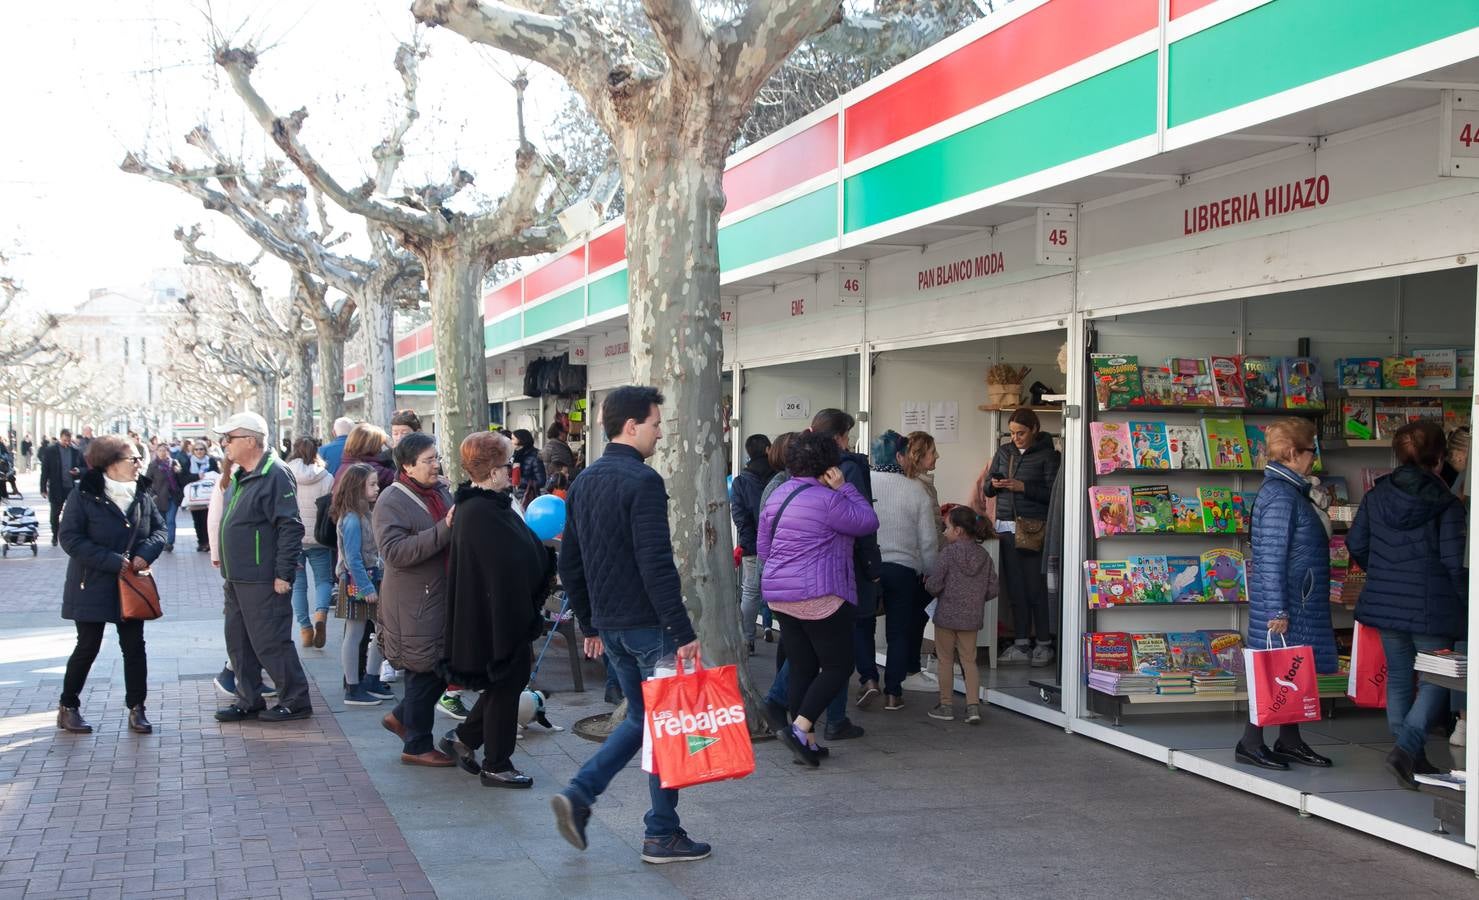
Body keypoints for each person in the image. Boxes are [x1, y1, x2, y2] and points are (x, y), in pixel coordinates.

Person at [551, 385, 709, 864]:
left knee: (645, 721)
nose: (660, 433)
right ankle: (661, 833)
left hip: (612, 627)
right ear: (631, 426)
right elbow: (656, 563)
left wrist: (591, 623)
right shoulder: (643, 482)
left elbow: (570, 563)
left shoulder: (583, 481)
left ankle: (582, 797)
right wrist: (683, 632)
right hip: (649, 627)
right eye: (657, 424)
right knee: (667, 727)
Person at [1348, 421, 1467, 787]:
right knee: (1437, 679)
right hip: (1431, 606)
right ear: (1439, 456)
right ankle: (1406, 751)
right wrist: (1467, 605)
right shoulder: (1445, 502)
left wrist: (1383, 574)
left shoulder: (1376, 494)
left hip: (1385, 602)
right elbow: (1453, 562)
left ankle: (1410, 755)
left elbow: (1357, 543)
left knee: (1400, 677)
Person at [437, 431, 552, 787]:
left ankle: (464, 739)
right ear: (490, 471)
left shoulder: (487, 506)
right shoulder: (482, 511)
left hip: (501, 613)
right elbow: (503, 566)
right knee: (505, 684)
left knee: (507, 682)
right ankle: (497, 763)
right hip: (496, 617)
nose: (511, 470)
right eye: (506, 464)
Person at [759, 430, 880, 767]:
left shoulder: (778, 494)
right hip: (820, 595)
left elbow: (765, 549)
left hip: (780, 595)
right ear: (829, 463)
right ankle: (799, 728)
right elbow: (868, 521)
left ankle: (806, 742)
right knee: (840, 665)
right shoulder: (831, 500)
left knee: (802, 665)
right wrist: (845, 486)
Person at [1237, 417, 1337, 770]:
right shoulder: (1280, 496)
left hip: (1298, 598)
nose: (1315, 458)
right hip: (1288, 603)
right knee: (1277, 669)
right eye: (1312, 450)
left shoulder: (1292, 491)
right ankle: (1250, 742)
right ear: (1294, 453)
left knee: (1291, 669)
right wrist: (1278, 610)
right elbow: (1271, 556)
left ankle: (1289, 740)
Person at [56, 435, 166, 735]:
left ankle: (137, 708)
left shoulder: (141, 493)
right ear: (111, 463)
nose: (139, 463)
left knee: (134, 647)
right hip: (90, 583)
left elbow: (159, 530)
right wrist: (111, 560)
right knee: (87, 646)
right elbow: (70, 538)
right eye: (133, 459)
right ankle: (68, 707)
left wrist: (145, 554)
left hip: (131, 585)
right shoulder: (83, 494)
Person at [212, 412, 313, 724]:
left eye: (229, 438)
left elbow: (290, 526)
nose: (224, 444)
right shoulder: (242, 473)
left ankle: (295, 700)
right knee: (238, 642)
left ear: (251, 441)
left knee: (270, 641)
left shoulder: (275, 473)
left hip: (263, 579)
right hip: (238, 577)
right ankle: (248, 699)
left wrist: (283, 573)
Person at [375, 431, 457, 766]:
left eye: (436, 457)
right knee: (424, 670)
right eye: (428, 460)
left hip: (439, 595)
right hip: (414, 603)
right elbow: (394, 552)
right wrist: (444, 528)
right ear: (407, 466)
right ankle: (417, 745)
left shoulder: (439, 491)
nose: (436, 465)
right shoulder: (391, 501)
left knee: (438, 667)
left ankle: (401, 716)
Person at [982, 409, 1060, 666]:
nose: (1016, 438)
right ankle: (1021, 642)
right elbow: (986, 490)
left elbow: (1054, 495)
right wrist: (994, 485)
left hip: (1034, 527)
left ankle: (1044, 643)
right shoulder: (1004, 452)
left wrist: (1022, 487)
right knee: (1015, 588)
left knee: (1035, 587)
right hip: (1005, 526)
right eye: (1012, 433)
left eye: (1021, 433)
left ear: (1034, 429)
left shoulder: (1050, 456)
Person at [872, 428, 943, 709]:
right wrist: (928, 570)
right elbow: (927, 540)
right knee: (898, 632)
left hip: (869, 567)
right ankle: (893, 692)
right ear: (901, 457)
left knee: (863, 626)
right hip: (903, 569)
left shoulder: (862, 482)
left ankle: (868, 680)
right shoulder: (917, 490)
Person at [924, 507, 998, 724]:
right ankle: (973, 707)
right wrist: (975, 599)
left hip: (946, 615)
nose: (945, 532)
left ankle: (946, 706)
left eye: (946, 528)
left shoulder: (948, 553)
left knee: (945, 661)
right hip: (972, 617)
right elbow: (993, 588)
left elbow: (935, 584)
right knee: (969, 660)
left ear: (957, 530)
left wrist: (929, 584)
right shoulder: (984, 556)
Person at [331, 463, 390, 707]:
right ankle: (354, 686)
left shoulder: (364, 514)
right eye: (372, 484)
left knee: (376, 630)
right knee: (358, 632)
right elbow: (352, 557)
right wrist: (366, 588)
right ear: (358, 487)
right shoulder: (353, 519)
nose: (377, 488)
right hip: (360, 581)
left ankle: (369, 679)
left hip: (368, 578)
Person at [287, 438, 335, 649]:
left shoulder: (285, 473)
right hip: (319, 537)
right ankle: (321, 614)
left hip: (293, 537)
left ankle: (305, 629)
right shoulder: (327, 476)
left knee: (298, 585)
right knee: (323, 580)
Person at [730, 433, 774, 653]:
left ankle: (747, 639)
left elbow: (738, 515)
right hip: (779, 546)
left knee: (750, 592)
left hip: (753, 546)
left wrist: (748, 540)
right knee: (780, 591)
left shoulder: (740, 482)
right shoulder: (780, 477)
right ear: (768, 449)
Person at [39, 429, 86, 545]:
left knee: (74, 513)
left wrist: (78, 470)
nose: (67, 443)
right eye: (65, 440)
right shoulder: (50, 451)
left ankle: (72, 536)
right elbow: (45, 470)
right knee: (55, 513)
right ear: (60, 438)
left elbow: (84, 467)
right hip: (56, 487)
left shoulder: (76, 451)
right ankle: (55, 535)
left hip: (71, 487)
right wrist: (43, 488)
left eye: (69, 441)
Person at [181, 441, 220, 552]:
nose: (199, 451)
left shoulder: (211, 461)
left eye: (201, 449)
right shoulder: (188, 462)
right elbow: (183, 478)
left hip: (209, 498)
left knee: (209, 521)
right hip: (195, 498)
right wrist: (196, 476)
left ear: (205, 450)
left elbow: (217, 476)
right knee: (198, 521)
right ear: (193, 451)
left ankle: (209, 543)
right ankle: (201, 542)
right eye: (196, 449)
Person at [144, 444, 184, 552]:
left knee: (170, 520)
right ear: (156, 452)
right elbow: (147, 482)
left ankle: (169, 543)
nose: (163, 453)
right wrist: (153, 495)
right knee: (162, 522)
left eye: (165, 450)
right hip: (159, 498)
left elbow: (181, 479)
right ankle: (162, 540)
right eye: (160, 450)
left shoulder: (174, 463)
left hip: (173, 497)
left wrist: (178, 471)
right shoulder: (153, 465)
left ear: (168, 452)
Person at [342, 423, 396, 489]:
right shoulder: (373, 469)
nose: (381, 448)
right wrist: (394, 448)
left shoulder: (346, 463)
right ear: (373, 446)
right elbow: (403, 479)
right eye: (380, 444)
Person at [511, 429, 546, 505]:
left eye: (513, 439)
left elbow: (541, 480)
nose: (511, 442)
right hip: (514, 497)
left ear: (521, 440)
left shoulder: (535, 456)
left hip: (528, 498)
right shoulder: (514, 455)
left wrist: (519, 482)